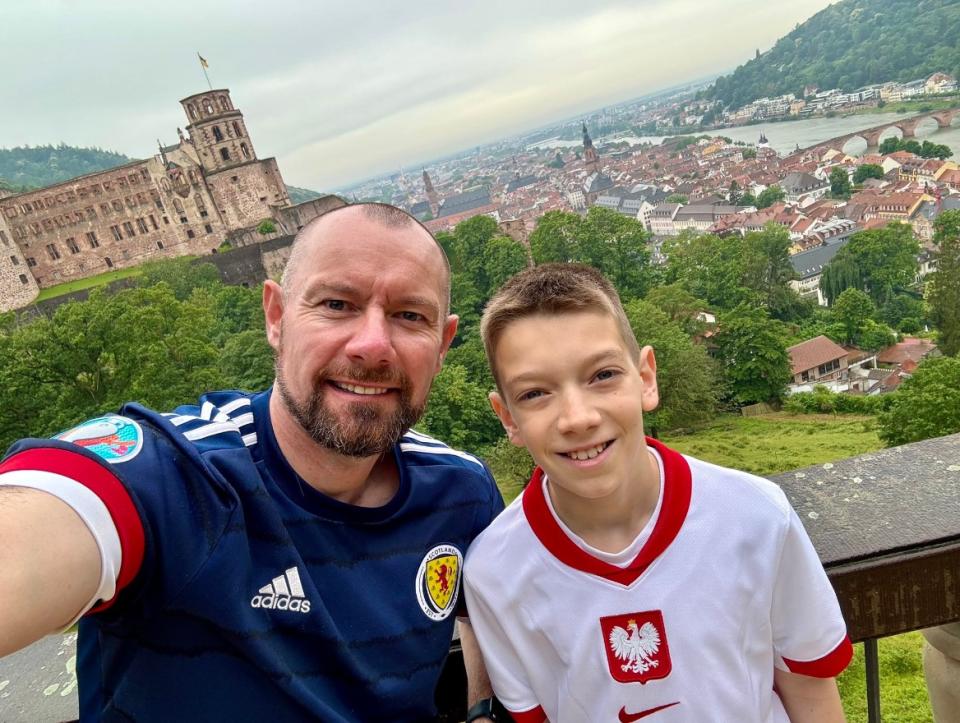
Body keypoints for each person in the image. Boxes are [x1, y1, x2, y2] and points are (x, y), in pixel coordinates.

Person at [0, 203, 503, 722]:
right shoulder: (186, 476)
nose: (372, 345)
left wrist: (482, 708)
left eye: (409, 316)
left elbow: (488, 614)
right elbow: (57, 511)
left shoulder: (462, 490)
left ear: (442, 344)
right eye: (336, 304)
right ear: (276, 318)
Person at [463, 263, 853, 723]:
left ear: (646, 378)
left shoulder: (757, 517)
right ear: (507, 417)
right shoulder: (494, 571)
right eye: (535, 394)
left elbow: (809, 687)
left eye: (602, 376)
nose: (577, 417)